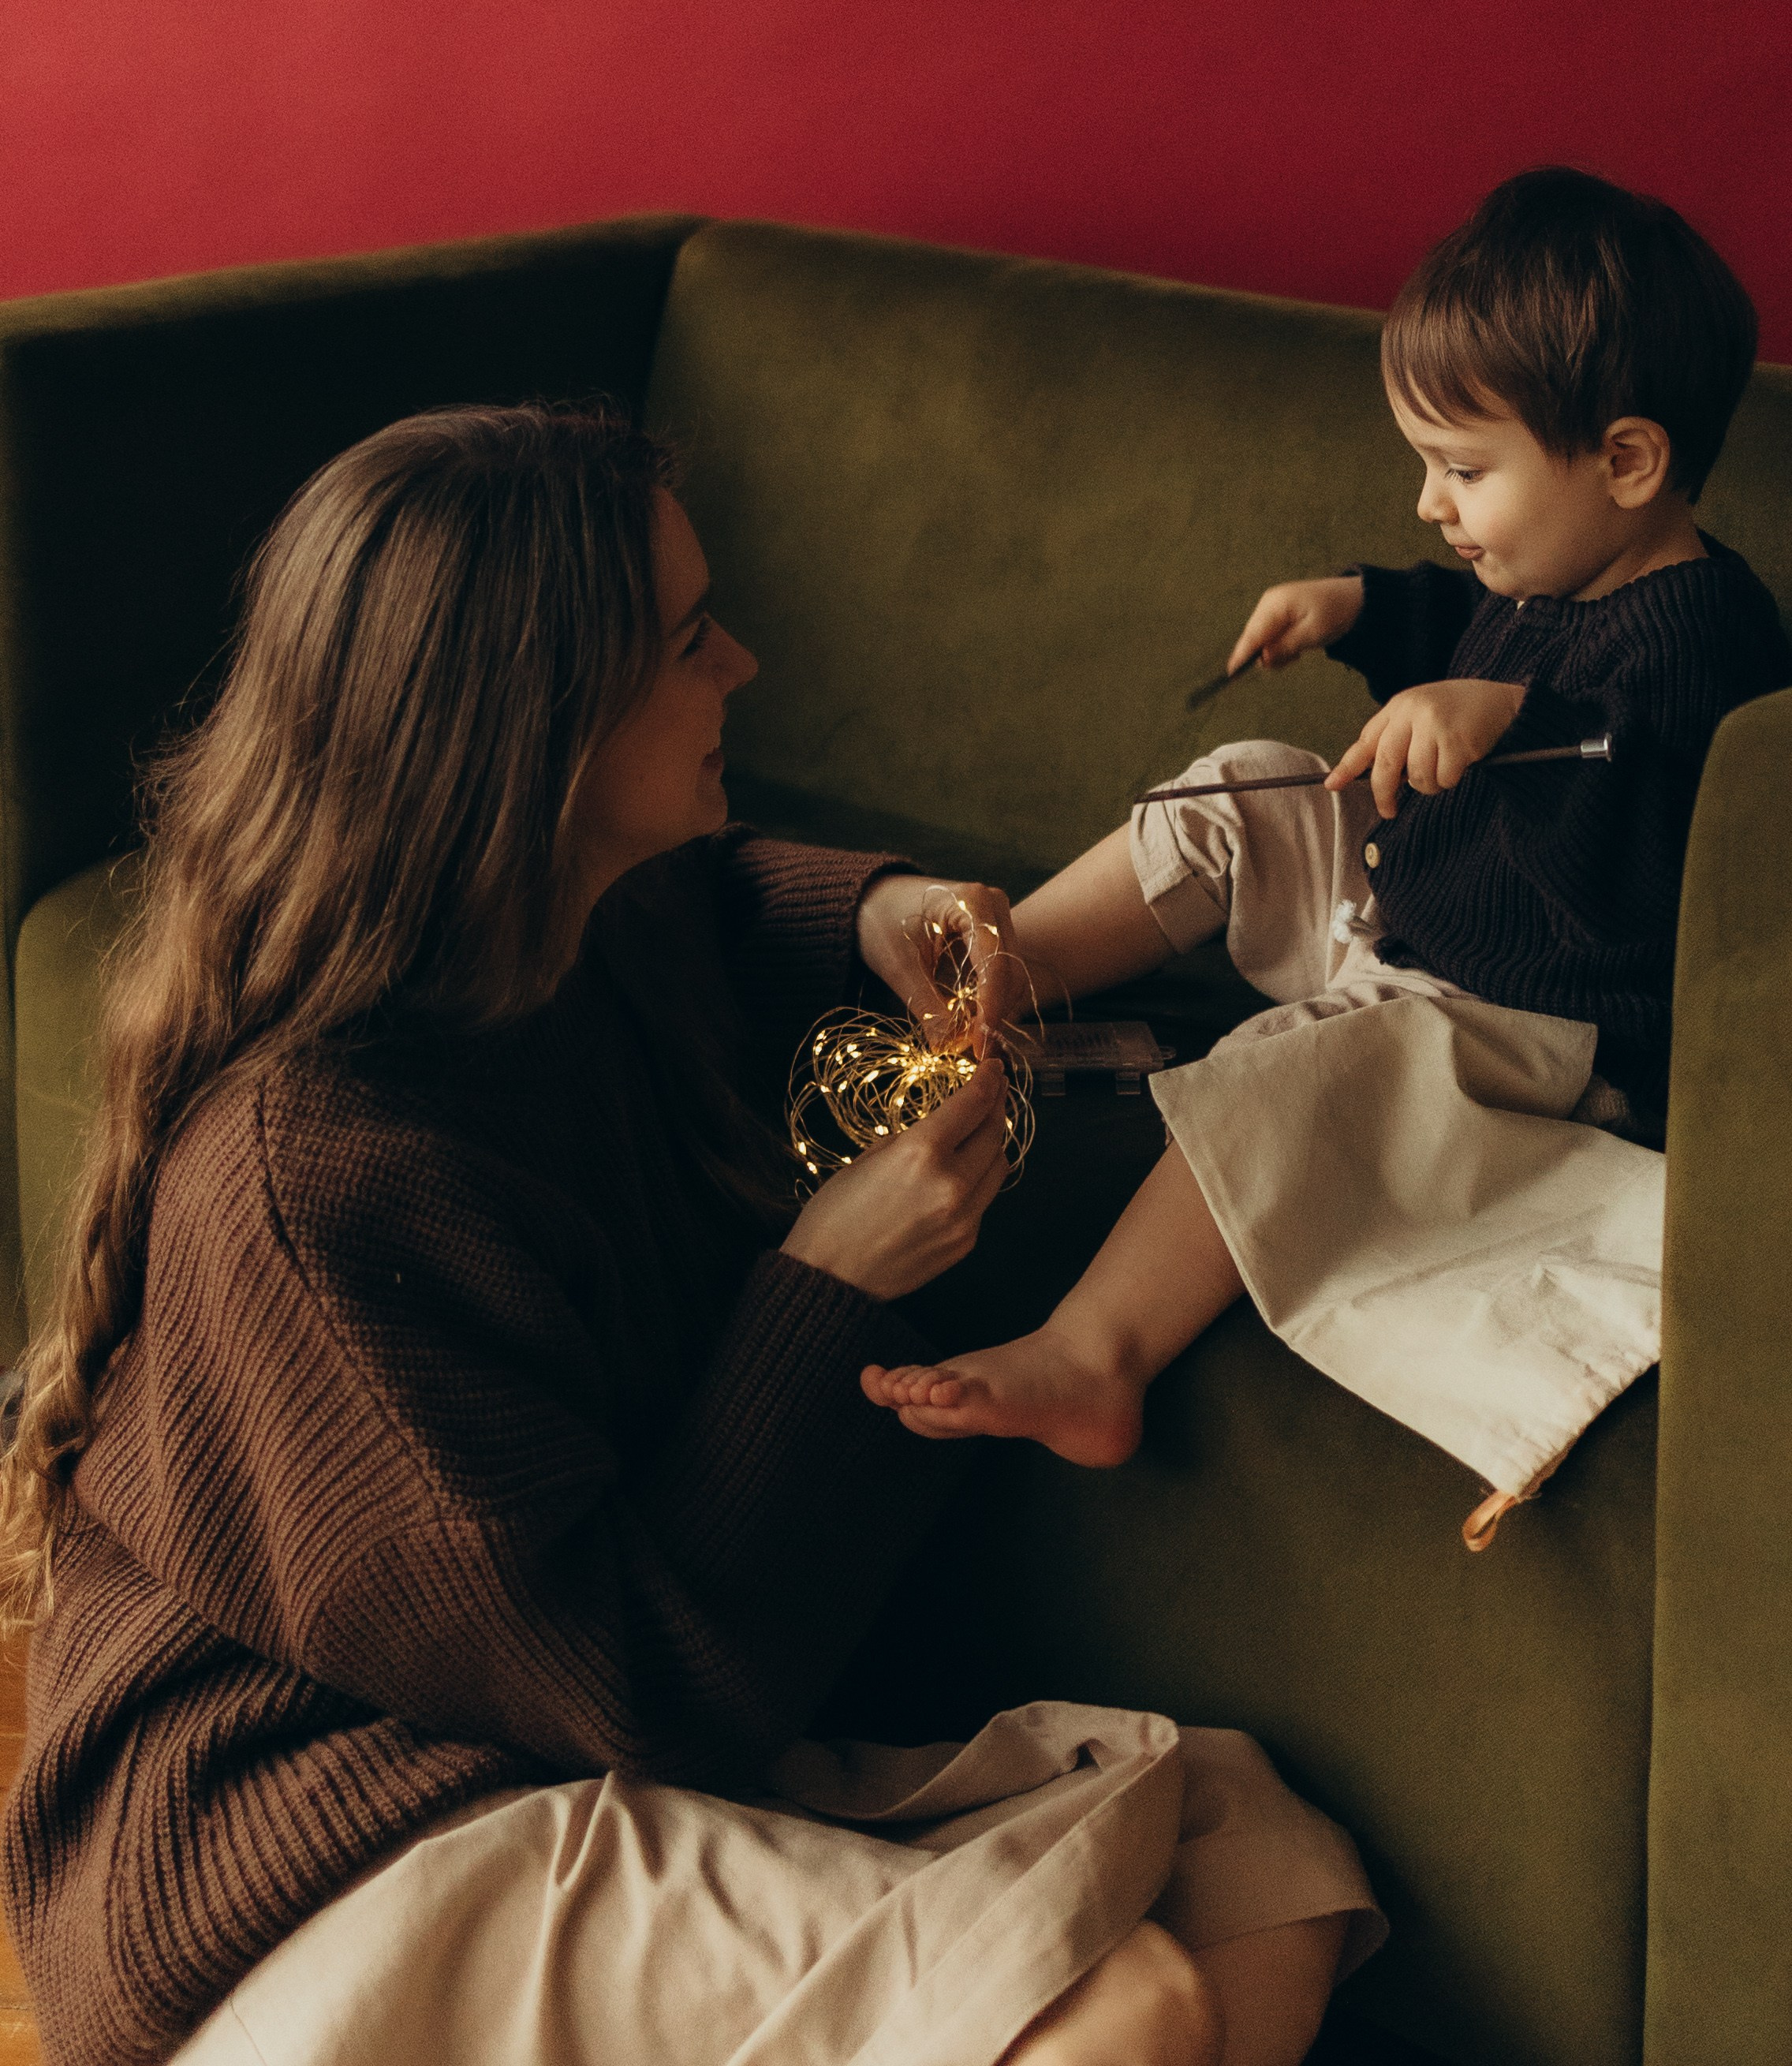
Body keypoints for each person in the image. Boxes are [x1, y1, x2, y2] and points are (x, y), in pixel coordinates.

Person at [0, 404, 1379, 2066]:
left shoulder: (574, 920)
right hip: (306, 1865)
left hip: (520, 1767)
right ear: (537, 732)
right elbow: (638, 1696)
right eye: (686, 640)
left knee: (1260, 1865)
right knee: (1134, 2008)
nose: (743, 663)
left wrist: (873, 908)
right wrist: (830, 1282)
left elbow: (714, 902)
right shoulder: (332, 1178)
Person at [864, 169, 1792, 1476]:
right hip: (1415, 907)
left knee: (1297, 1065)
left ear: (1630, 462)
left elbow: (1629, 813)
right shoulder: (1551, 563)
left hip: (1536, 1031)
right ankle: (997, 977)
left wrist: (1497, 719)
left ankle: (1095, 1357)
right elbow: (1465, 623)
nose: (1434, 503)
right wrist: (1361, 605)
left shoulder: (1710, 638)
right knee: (1242, 788)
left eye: (1464, 470)